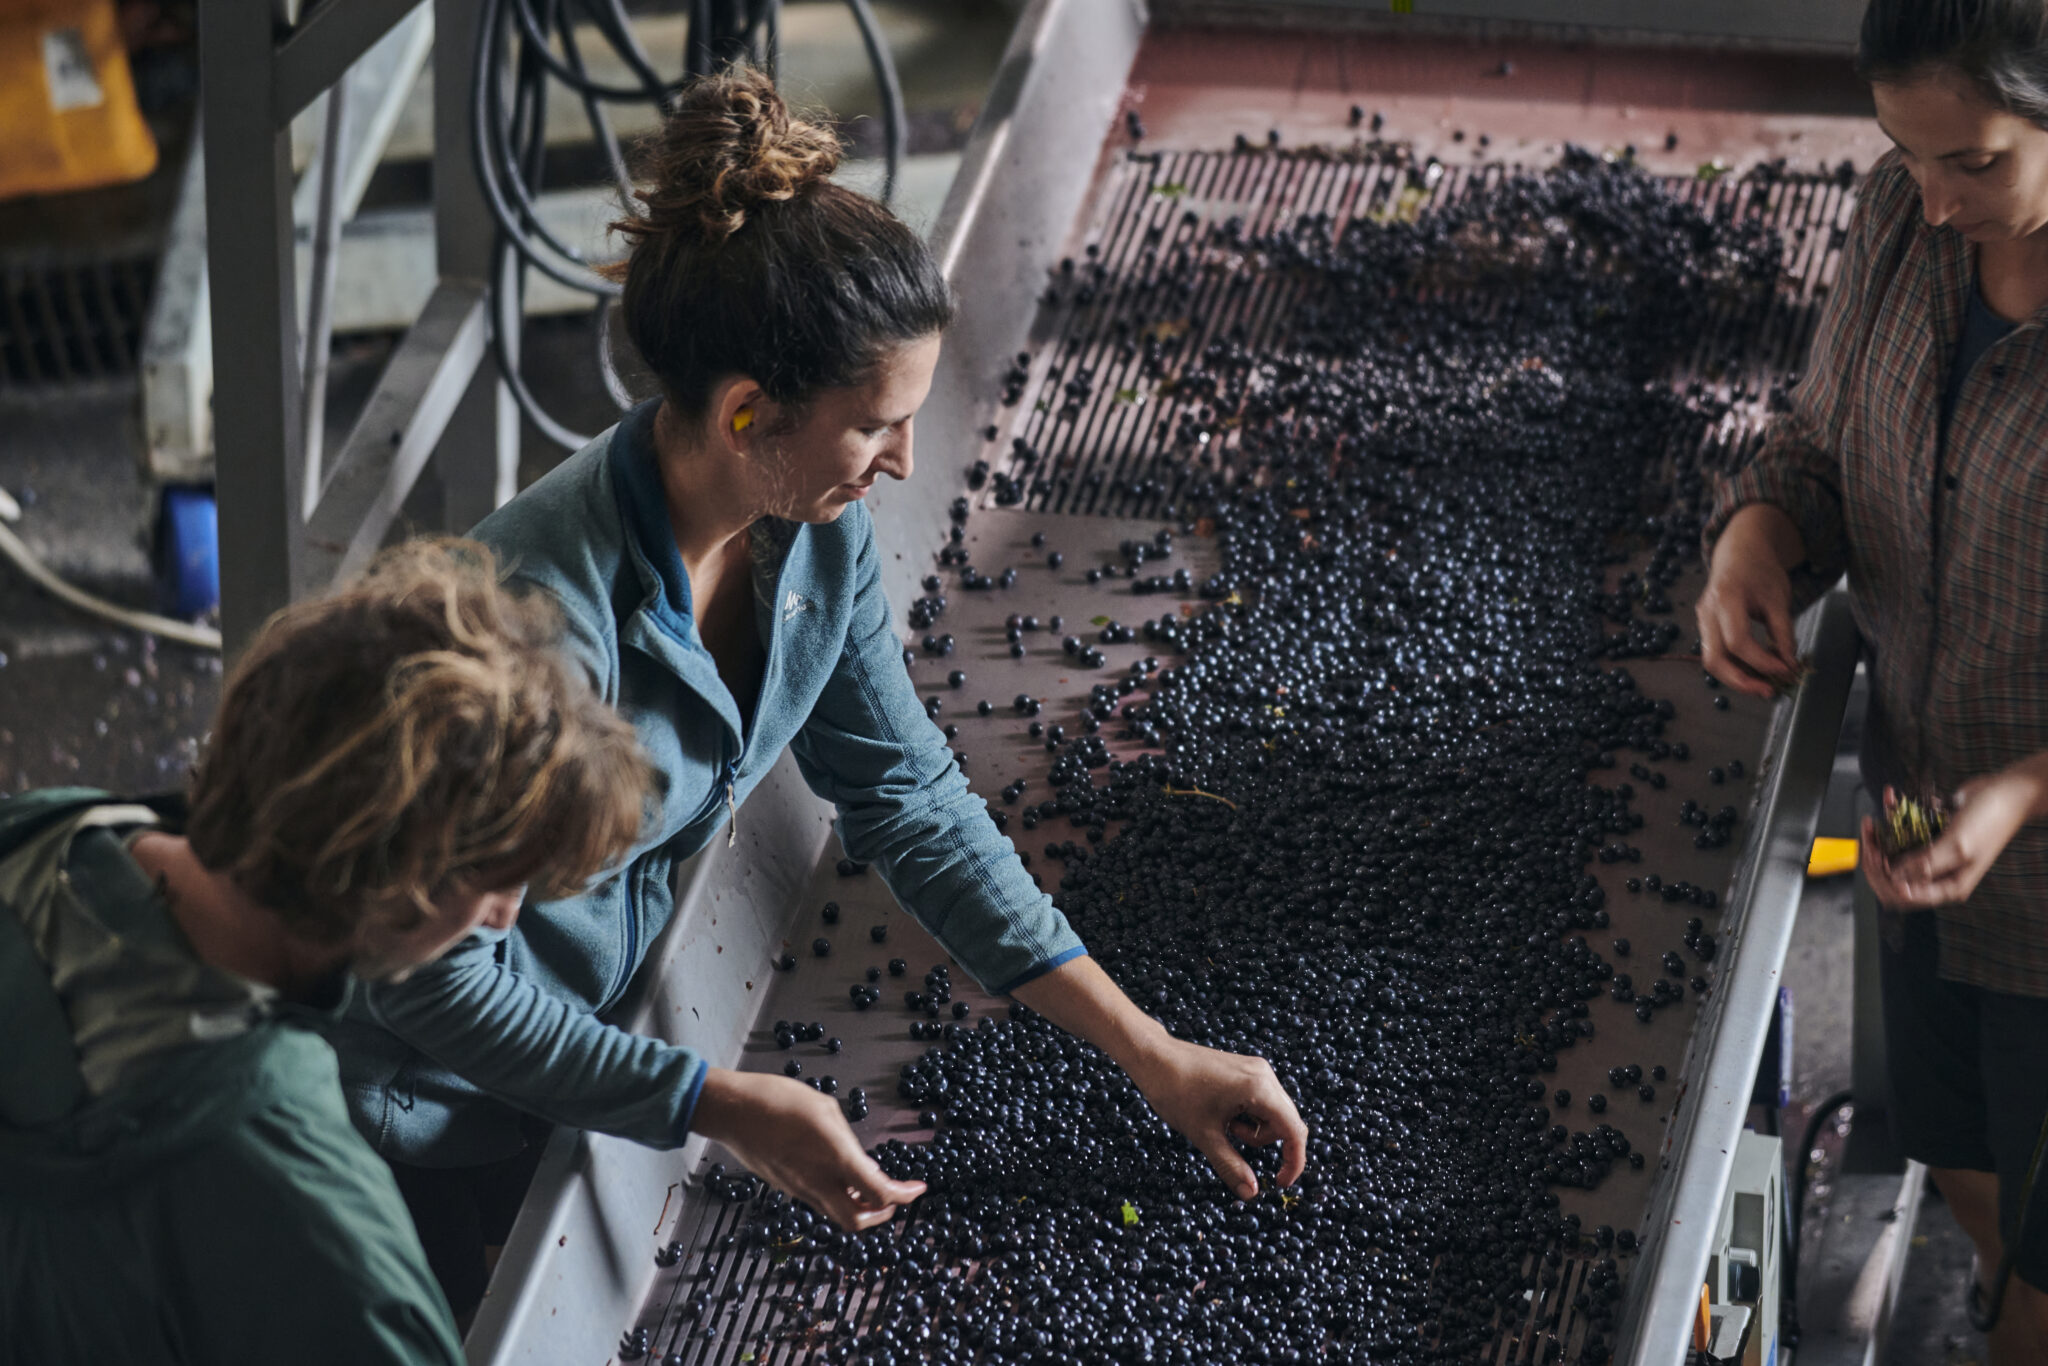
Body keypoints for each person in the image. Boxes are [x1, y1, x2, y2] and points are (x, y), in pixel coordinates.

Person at [328, 67, 1310, 1319]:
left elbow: (906, 795)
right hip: (424, 1119)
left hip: (583, 1045)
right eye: (876, 426)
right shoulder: (533, 629)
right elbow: (431, 980)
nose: (903, 463)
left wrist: (1150, 1053)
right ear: (748, 413)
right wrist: (714, 1101)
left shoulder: (808, 535)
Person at [0, 541, 654, 1364]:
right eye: (499, 881)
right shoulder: (317, 1216)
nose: (504, 916)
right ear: (401, 874)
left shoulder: (45, 830)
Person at [1698, 3, 2048, 1360]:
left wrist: (2024, 792)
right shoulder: (1900, 225)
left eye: (1977, 164)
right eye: (1907, 153)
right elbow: (1817, 447)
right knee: (1967, 1163)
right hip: (1923, 846)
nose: (1937, 201)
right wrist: (1759, 538)